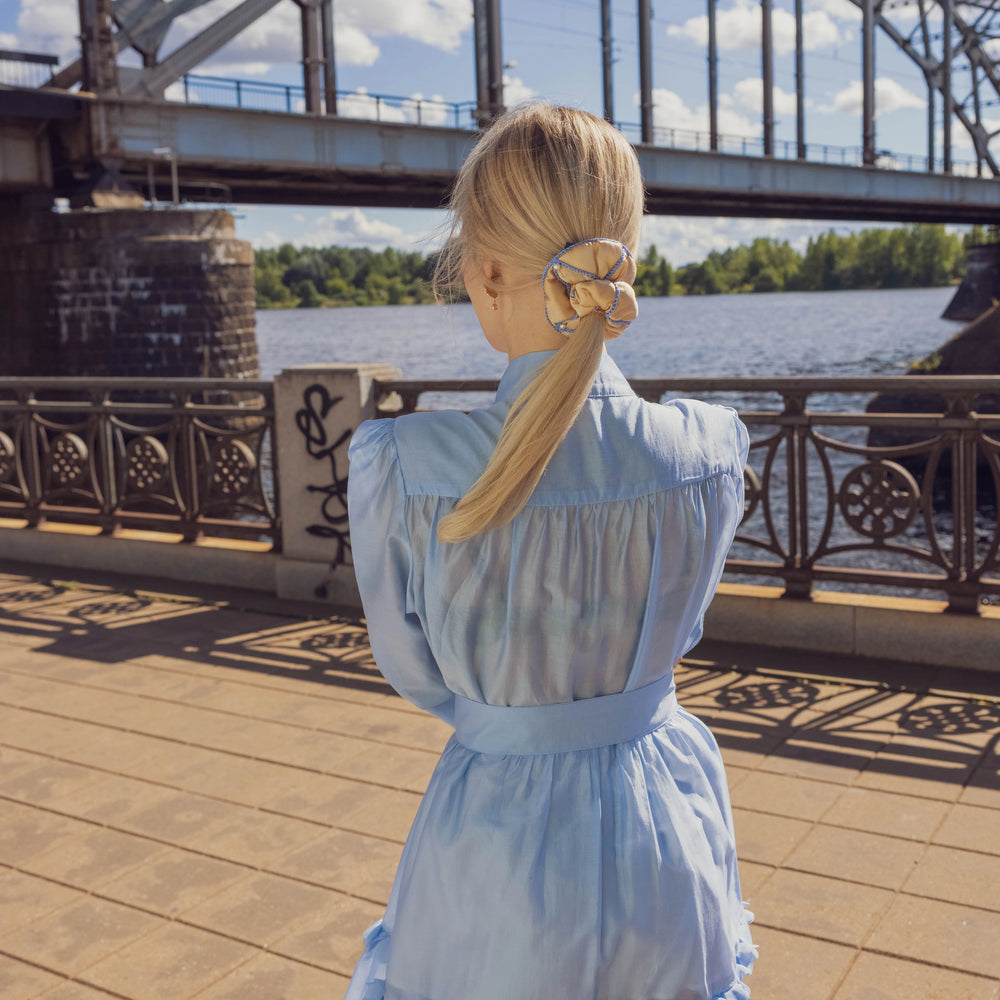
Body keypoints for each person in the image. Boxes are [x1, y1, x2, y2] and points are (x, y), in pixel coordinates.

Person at [345, 103, 755, 1000]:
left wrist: (520, 712)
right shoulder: (706, 448)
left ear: (487, 272)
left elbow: (417, 675)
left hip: (501, 838)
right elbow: (677, 637)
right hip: (661, 821)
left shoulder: (409, 466)